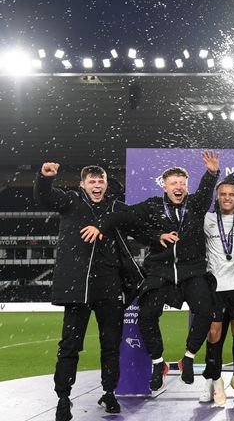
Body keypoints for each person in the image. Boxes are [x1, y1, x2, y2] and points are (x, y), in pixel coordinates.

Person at [82, 151, 221, 392]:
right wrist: (100, 225)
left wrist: (211, 173)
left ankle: (188, 357)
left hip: (192, 270)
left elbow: (207, 189)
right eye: (173, 183)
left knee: (206, 310)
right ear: (165, 187)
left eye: (182, 183)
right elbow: (121, 216)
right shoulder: (152, 206)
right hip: (161, 271)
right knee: (147, 313)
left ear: (186, 187)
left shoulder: (196, 205)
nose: (178, 187)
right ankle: (158, 363)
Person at [35, 163, 145, 420]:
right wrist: (43, 179)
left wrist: (104, 224)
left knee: (110, 346)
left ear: (106, 184)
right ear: (82, 184)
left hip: (109, 287)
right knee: (70, 346)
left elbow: (134, 217)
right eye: (92, 181)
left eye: (101, 181)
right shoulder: (71, 202)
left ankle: (109, 393)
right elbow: (45, 197)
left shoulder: (114, 206)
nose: (97, 185)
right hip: (77, 288)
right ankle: (63, 398)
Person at [199, 181, 234, 405]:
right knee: (214, 335)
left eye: (232, 194)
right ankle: (212, 380)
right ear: (218, 197)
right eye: (223, 194)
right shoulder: (207, 220)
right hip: (215, 287)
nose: (228, 198)